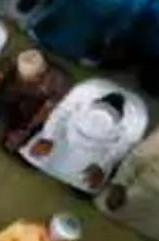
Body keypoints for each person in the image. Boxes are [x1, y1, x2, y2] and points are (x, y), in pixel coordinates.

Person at [19, 79, 148, 193]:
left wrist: (102, 166)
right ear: (97, 100)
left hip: (99, 148)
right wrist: (49, 137)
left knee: (85, 186)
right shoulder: (87, 89)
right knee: (32, 158)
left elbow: (124, 145)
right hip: (69, 132)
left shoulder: (138, 117)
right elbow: (62, 111)